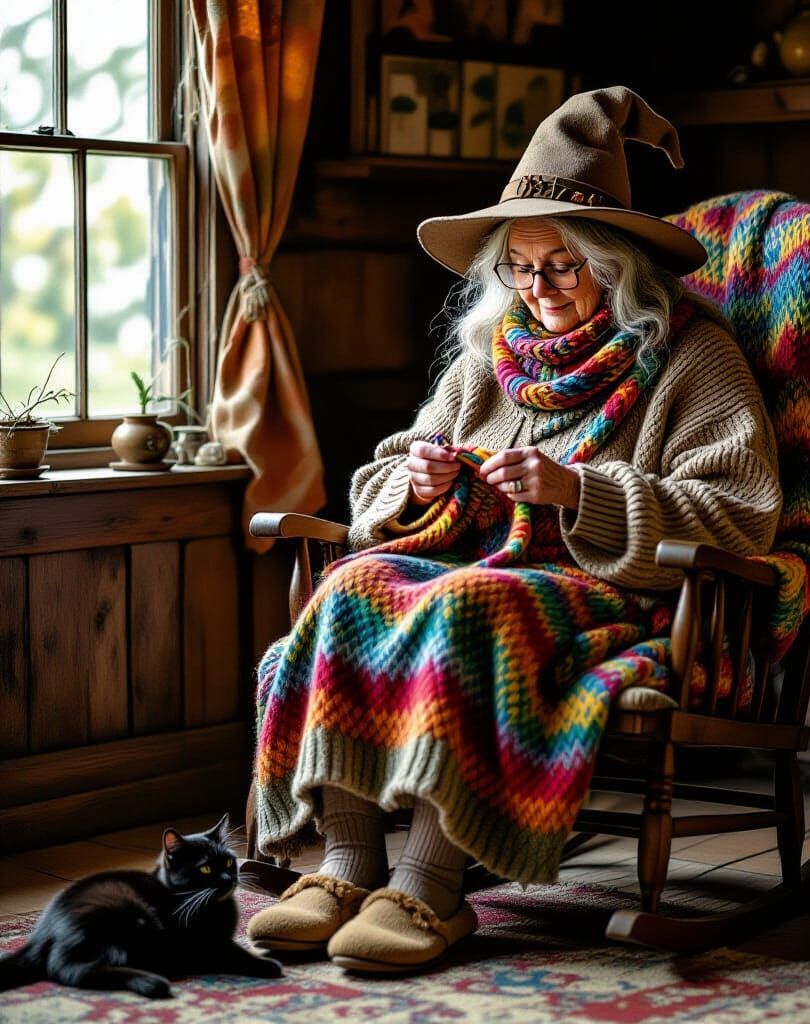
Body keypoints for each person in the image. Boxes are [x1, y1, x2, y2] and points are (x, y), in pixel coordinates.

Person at [247, 87, 782, 974]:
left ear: (618, 266)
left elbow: (742, 514)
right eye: (521, 269)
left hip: (604, 592)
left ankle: (428, 887)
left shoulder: (693, 357)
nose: (540, 290)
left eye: (565, 267)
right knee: (347, 584)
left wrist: (580, 494)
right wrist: (413, 480)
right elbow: (386, 474)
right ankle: (346, 866)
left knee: (471, 607)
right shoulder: (485, 358)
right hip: (464, 567)